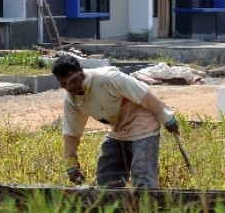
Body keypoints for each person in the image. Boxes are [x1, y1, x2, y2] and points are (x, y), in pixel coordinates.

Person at [51, 54, 180, 188]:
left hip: (143, 126)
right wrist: (71, 163)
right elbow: (72, 132)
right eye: (64, 83)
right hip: (118, 130)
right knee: (107, 179)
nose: (70, 87)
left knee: (143, 180)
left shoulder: (108, 78)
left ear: (81, 72)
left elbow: (144, 94)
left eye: (72, 81)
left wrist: (166, 117)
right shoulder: (72, 99)